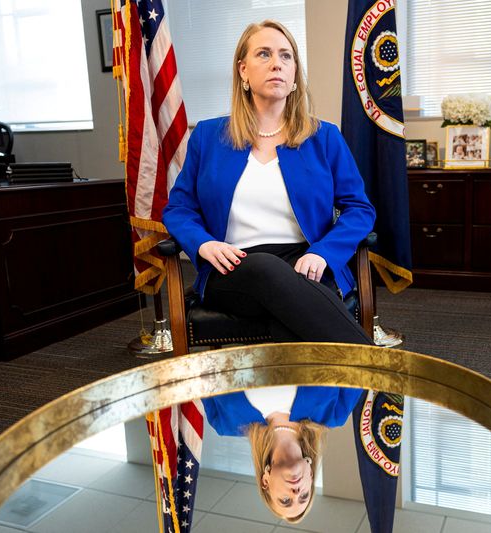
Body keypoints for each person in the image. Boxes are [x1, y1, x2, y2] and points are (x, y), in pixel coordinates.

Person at [162, 19, 375, 521]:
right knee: (261, 268)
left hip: (305, 262)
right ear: (243, 71)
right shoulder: (211, 137)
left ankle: (368, 357)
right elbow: (178, 209)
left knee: (289, 295)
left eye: (285, 55)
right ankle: (368, 356)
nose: (276, 63)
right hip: (234, 265)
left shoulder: (323, 138)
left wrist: (325, 250)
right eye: (263, 54)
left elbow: (360, 209)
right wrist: (204, 243)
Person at [203, 385, 363, 522]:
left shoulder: (224, 422)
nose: (296, 493)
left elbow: (196, 365)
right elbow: (361, 356)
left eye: (285, 501)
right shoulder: (334, 413)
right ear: (311, 476)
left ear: (265, 482)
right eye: (304, 496)